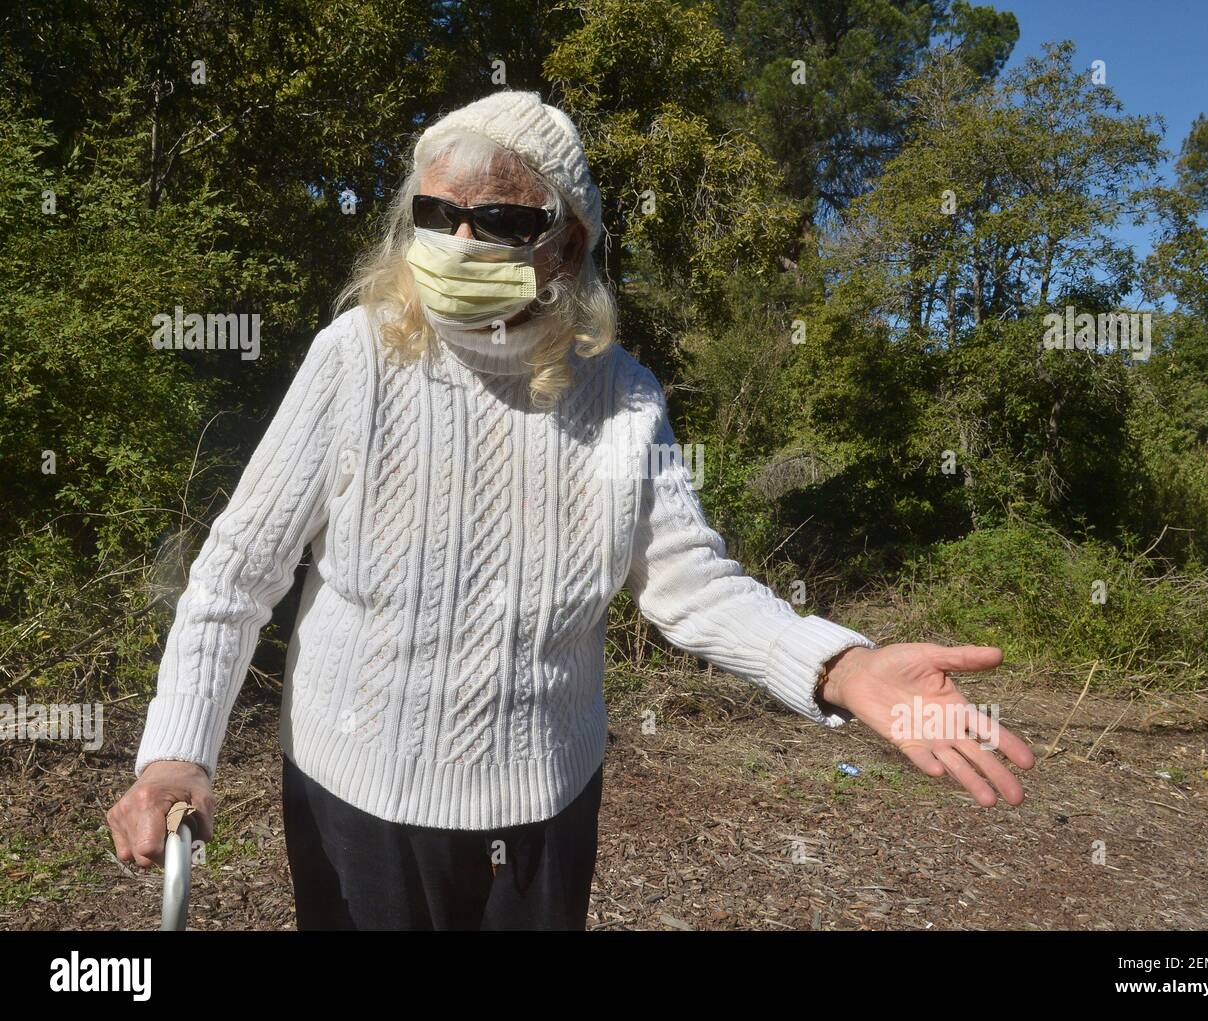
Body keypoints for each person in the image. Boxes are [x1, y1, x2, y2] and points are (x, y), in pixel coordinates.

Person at [107, 90, 1034, 930]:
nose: (460, 244)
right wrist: (175, 754)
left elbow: (693, 586)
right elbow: (237, 571)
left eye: (500, 218)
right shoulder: (358, 357)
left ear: (569, 242)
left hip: (542, 813)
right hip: (353, 803)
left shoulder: (622, 397)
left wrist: (842, 665)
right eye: (437, 215)